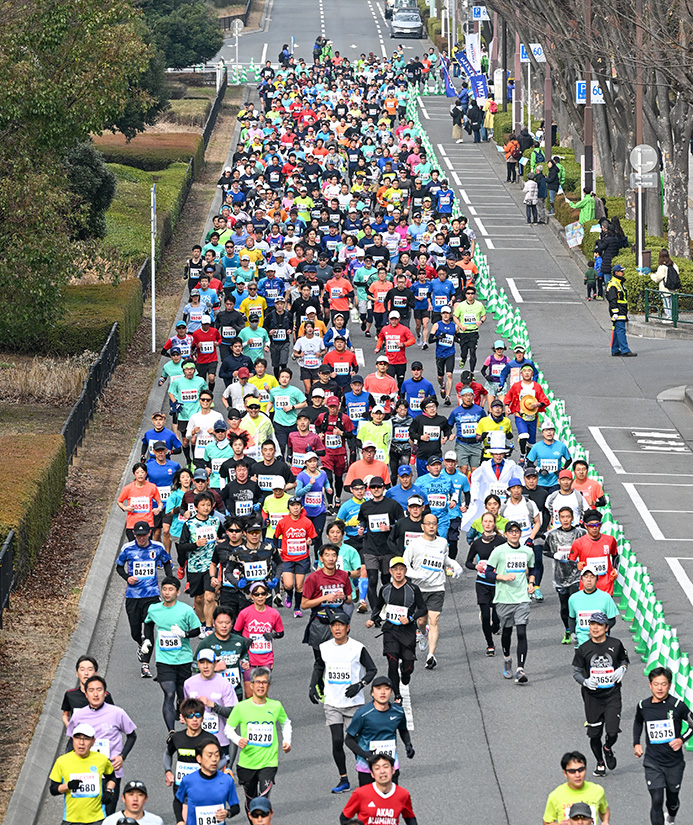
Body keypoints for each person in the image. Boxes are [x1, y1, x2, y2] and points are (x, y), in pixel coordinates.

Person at [309, 611, 378, 794]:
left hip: (354, 703)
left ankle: (366, 775)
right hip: (332, 703)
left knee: (354, 743)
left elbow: (372, 669)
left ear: (348, 627)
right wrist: (312, 685)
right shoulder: (324, 647)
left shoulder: (357, 648)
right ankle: (344, 779)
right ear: (330, 628)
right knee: (337, 741)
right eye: (334, 625)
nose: (337, 628)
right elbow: (319, 666)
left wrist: (360, 684)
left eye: (341, 625)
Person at [225, 667, 291, 815]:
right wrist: (238, 739)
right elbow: (228, 729)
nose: (261, 686)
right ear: (251, 685)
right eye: (258, 682)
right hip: (247, 763)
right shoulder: (241, 707)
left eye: (264, 683)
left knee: (263, 800)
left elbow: (286, 722)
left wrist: (287, 741)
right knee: (251, 801)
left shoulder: (275, 706)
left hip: (269, 762)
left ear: (269, 685)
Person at [66, 675, 137, 812]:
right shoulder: (79, 715)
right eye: (91, 690)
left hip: (111, 771)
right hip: (86, 772)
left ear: (105, 693)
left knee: (108, 814)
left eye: (99, 690)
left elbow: (132, 736)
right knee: (88, 813)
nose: (95, 694)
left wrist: (122, 756)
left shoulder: (117, 713)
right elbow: (71, 742)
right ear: (86, 694)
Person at [141, 576, 202, 734]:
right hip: (164, 660)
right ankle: (171, 732)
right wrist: (147, 640)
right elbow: (148, 623)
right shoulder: (154, 609)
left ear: (178, 592)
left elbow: (197, 629)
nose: (167, 593)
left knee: (183, 697)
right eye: (164, 589)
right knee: (169, 692)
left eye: (171, 590)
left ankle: (186, 723)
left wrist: (184, 634)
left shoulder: (186, 610)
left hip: (183, 659)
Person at [634, 666, 693, 825]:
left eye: (664, 684)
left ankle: (671, 817)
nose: (659, 688)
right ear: (650, 685)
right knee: (657, 799)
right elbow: (638, 723)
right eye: (656, 684)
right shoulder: (643, 706)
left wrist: (681, 739)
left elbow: (692, 723)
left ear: (670, 685)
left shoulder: (678, 705)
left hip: (674, 763)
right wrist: (636, 743)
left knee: (672, 800)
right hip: (653, 762)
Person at [403, 513, 462, 670]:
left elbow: (445, 559)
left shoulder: (442, 542)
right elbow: (404, 565)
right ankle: (422, 633)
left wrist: (454, 564)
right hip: (419, 589)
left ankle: (431, 655)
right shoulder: (414, 545)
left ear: (437, 526)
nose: (431, 526)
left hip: (437, 588)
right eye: (428, 523)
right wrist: (415, 574)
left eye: (434, 524)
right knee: (421, 621)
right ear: (422, 526)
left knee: (434, 620)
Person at [573, 613, 629, 777]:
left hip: (612, 695)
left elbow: (624, 660)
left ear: (606, 628)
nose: (594, 628)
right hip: (592, 697)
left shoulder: (616, 644)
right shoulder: (584, 649)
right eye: (592, 624)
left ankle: (608, 748)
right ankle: (600, 762)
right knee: (594, 734)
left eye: (598, 625)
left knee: (612, 732)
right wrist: (585, 682)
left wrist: (623, 668)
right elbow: (576, 672)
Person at [116, 521, 172, 677]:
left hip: (151, 595)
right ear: (134, 535)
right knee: (135, 631)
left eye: (144, 535)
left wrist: (170, 581)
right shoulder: (127, 549)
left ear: (149, 533)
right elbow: (119, 567)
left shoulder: (157, 547)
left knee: (149, 629)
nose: (141, 538)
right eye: (138, 535)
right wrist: (127, 577)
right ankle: (141, 644)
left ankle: (145, 665)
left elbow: (167, 562)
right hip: (133, 596)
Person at [366, 557, 426, 698]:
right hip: (390, 631)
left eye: (401, 569)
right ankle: (397, 695)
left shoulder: (413, 589)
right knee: (392, 663)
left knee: (408, 665)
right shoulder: (385, 589)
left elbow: (423, 609)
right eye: (395, 569)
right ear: (390, 571)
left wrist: (410, 618)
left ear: (405, 571)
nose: (398, 572)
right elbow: (378, 606)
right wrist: (372, 619)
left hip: (408, 632)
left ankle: (405, 673)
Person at [485, 521, 535, 684]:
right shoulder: (499, 552)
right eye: (511, 531)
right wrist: (502, 577)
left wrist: (531, 583)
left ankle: (521, 669)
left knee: (521, 632)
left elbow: (533, 568)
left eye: (517, 531)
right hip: (504, 598)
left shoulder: (527, 551)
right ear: (505, 534)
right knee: (506, 633)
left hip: (522, 598)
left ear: (520, 533)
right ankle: (507, 659)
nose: (514, 534)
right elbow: (488, 573)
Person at [345, 676, 414, 787]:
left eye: (386, 688)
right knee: (368, 802)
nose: (383, 692)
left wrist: (408, 745)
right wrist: (365, 755)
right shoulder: (363, 714)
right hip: (367, 767)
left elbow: (403, 730)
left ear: (391, 692)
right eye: (378, 688)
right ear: (372, 693)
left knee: (392, 801)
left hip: (390, 765)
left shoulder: (398, 712)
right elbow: (349, 739)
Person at [164, 697, 220, 822]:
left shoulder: (210, 739)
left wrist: (213, 770)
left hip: (204, 786)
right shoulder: (177, 737)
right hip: (182, 785)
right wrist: (168, 771)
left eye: (198, 715)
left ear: (203, 717)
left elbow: (222, 759)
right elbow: (168, 753)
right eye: (190, 716)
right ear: (183, 718)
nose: (194, 719)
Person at [49, 722, 116, 825]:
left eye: (86, 739)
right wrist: (68, 786)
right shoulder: (62, 761)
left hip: (97, 819)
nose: (81, 743)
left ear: (93, 741)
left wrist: (109, 790)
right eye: (78, 738)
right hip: (71, 819)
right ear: (73, 740)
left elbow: (112, 777)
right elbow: (53, 789)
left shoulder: (101, 759)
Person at [358, 476, 404, 609]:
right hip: (371, 549)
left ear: (384, 488)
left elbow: (402, 524)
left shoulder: (392, 504)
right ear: (369, 489)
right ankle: (375, 612)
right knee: (372, 580)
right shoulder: (365, 506)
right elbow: (363, 520)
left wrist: (390, 528)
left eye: (379, 486)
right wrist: (362, 528)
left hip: (388, 549)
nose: (376, 489)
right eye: (373, 487)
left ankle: (385, 606)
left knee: (385, 581)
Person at [465, 511, 506, 655]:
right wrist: (476, 566)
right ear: (482, 524)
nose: (488, 524)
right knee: (485, 616)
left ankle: (496, 626)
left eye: (491, 521)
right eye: (485, 521)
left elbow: (508, 557)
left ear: (494, 524)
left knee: (495, 618)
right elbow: (468, 563)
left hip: (497, 582)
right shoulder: (476, 543)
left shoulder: (501, 541)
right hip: (482, 583)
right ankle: (490, 645)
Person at [175, 739, 241, 825]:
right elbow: (177, 801)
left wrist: (227, 813)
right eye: (209, 756)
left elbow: (236, 807)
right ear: (199, 758)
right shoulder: (188, 780)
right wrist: (180, 821)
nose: (214, 759)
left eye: (217, 755)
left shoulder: (227, 780)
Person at [184, 649, 237, 754]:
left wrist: (212, 705)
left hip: (219, 740)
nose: (205, 666)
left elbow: (233, 712)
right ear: (197, 664)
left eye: (209, 662)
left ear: (215, 664)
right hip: (196, 741)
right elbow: (186, 709)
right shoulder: (189, 683)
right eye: (202, 662)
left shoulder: (224, 684)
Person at [545, 507, 585, 643]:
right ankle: (567, 631)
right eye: (563, 517)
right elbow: (545, 550)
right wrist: (554, 554)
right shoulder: (552, 534)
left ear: (572, 518)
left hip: (577, 575)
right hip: (560, 575)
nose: (566, 520)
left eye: (568, 517)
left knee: (575, 604)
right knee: (564, 605)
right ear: (559, 518)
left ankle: (577, 630)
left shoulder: (580, 533)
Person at [340, 753, 417, 825]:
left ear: (393, 770)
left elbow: (410, 818)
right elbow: (344, 817)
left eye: (386, 767)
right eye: (377, 768)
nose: (382, 771)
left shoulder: (403, 794)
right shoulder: (360, 793)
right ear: (372, 774)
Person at [542, 751, 610, 825]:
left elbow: (604, 810)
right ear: (565, 773)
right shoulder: (555, 796)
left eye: (581, 770)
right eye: (572, 771)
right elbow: (547, 822)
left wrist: (605, 821)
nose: (577, 775)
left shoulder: (597, 791)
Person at [569, 510, 619, 596]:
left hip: (606, 585)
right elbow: (570, 560)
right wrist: (577, 565)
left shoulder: (610, 540)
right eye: (591, 525)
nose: (595, 528)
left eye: (597, 524)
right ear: (585, 526)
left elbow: (615, 555)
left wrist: (615, 569)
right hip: (587, 586)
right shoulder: (579, 543)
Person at [61, 655, 114, 727]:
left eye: (90, 669)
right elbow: (65, 715)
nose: (86, 673)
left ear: (96, 673)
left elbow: (113, 717)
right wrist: (70, 728)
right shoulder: (70, 695)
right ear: (77, 673)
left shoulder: (105, 695)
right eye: (82, 670)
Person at [606, 265, 637, 357]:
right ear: (616, 273)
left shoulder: (619, 283)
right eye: (621, 271)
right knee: (621, 330)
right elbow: (612, 299)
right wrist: (615, 312)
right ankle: (625, 350)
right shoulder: (613, 284)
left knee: (616, 330)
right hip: (618, 310)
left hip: (621, 310)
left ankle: (615, 349)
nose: (623, 273)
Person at [651, 249, 680, 321]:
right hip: (673, 288)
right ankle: (674, 317)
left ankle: (669, 318)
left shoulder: (662, 267)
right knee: (673, 303)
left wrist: (651, 275)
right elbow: (677, 273)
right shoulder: (673, 264)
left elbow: (658, 278)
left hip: (665, 288)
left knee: (666, 303)